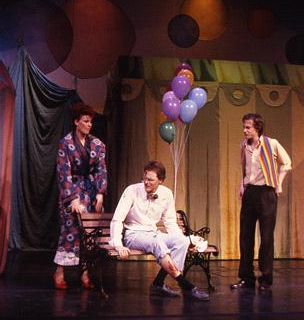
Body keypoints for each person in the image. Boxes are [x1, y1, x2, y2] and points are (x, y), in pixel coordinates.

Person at [109, 160, 209, 301]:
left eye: (150, 180)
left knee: (181, 241)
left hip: (153, 233)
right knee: (157, 243)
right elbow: (117, 219)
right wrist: (118, 245)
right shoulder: (132, 190)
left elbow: (170, 223)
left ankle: (157, 284)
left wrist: (186, 241)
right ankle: (187, 286)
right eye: (144, 178)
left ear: (160, 181)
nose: (146, 182)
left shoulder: (166, 194)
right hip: (134, 234)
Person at [231, 113, 291, 291]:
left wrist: (278, 183)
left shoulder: (271, 143)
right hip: (250, 194)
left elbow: (286, 163)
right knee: (245, 236)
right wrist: (242, 184)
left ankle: (266, 278)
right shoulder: (243, 145)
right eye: (244, 127)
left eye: (248, 127)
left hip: (266, 193)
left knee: (266, 238)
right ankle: (246, 277)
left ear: (257, 127)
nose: (245, 130)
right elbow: (245, 168)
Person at [53, 102, 107, 290]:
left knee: (89, 234)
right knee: (71, 231)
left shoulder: (98, 145)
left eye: (91, 121)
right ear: (77, 122)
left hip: (90, 190)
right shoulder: (66, 144)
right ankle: (60, 271)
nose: (89, 124)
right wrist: (73, 199)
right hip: (72, 192)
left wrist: (100, 194)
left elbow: (101, 169)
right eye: (85, 121)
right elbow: (63, 173)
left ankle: (85, 273)